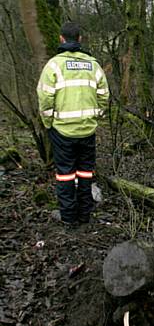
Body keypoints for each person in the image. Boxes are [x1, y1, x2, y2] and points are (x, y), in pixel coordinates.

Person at [37, 23, 110, 229]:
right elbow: (104, 96)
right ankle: (85, 214)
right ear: (79, 39)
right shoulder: (93, 65)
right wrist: (97, 116)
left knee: (66, 174)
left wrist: (49, 122)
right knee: (85, 172)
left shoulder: (53, 66)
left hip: (63, 130)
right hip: (87, 129)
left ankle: (69, 218)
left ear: (61, 39)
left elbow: (44, 98)